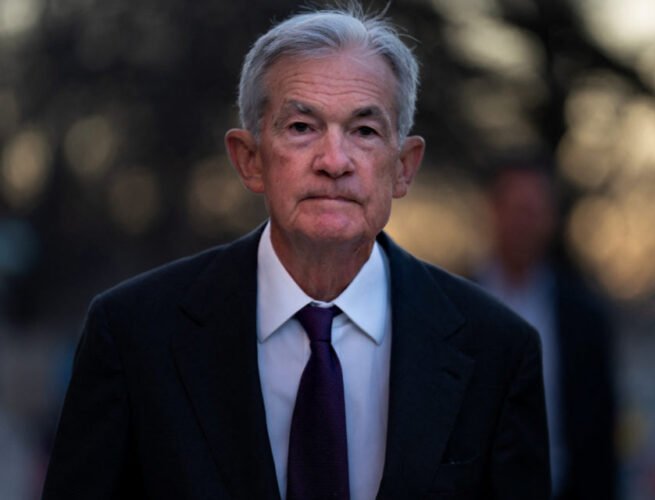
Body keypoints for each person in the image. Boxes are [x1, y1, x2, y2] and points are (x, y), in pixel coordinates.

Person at [42, 5, 550, 499]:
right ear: (249, 159)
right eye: (302, 127)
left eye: (365, 131)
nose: (334, 161)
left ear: (403, 168)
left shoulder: (498, 350)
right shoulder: (132, 334)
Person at [475, 159, 618, 500]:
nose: (523, 223)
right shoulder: (450, 302)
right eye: (515, 209)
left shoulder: (583, 316)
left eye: (533, 211)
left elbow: (600, 428)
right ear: (493, 212)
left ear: (552, 219)